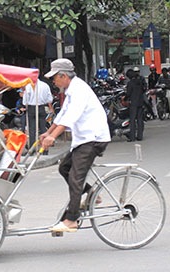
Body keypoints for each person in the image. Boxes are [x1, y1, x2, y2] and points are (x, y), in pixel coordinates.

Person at [41, 58, 111, 232]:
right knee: (64, 168)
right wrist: (48, 133)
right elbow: (62, 115)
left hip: (93, 138)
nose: (54, 82)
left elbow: (70, 117)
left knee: (75, 177)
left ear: (63, 76)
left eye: (54, 78)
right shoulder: (71, 90)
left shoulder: (79, 90)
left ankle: (71, 219)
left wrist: (53, 137)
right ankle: (91, 193)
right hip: (84, 139)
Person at [23, 77, 54, 147]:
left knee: (32, 129)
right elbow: (50, 98)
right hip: (41, 107)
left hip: (31, 108)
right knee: (43, 128)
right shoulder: (45, 85)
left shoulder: (28, 86)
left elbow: (25, 100)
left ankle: (32, 148)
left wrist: (26, 104)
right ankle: (45, 148)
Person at [125, 69, 145, 142]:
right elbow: (143, 90)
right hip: (140, 101)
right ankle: (140, 136)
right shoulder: (139, 81)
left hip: (133, 103)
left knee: (132, 120)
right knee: (140, 119)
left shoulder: (130, 83)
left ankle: (132, 137)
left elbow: (128, 93)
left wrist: (125, 98)